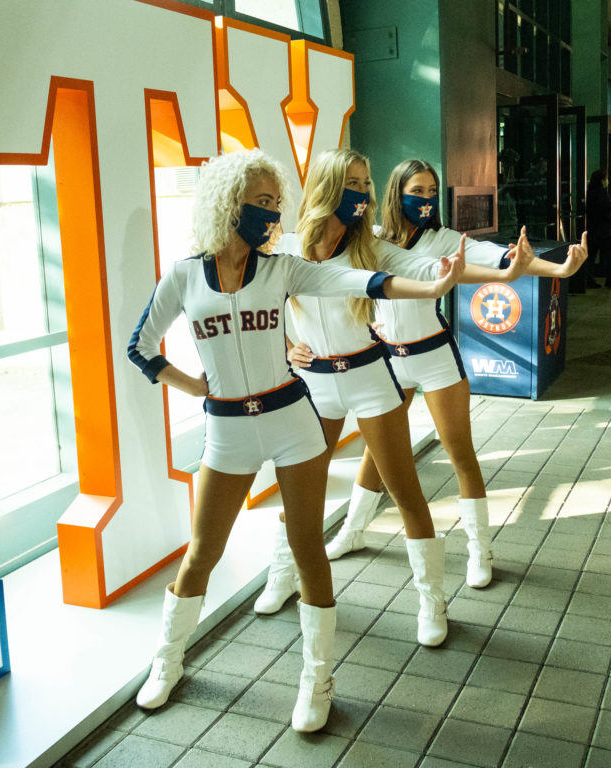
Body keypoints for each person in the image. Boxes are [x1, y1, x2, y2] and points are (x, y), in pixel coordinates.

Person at [128, 149, 467, 732]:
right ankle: (166, 660)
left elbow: (355, 279)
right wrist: (194, 387)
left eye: (276, 203)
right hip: (228, 430)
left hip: (293, 420)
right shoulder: (184, 275)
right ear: (227, 205)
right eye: (262, 203)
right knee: (202, 554)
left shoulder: (280, 267)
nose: (272, 213)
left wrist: (432, 282)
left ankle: (317, 679)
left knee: (310, 547)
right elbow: (141, 346)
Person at [250, 148, 518, 650]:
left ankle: (431, 599)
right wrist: (287, 346)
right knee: (298, 492)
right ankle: (282, 576)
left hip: (372, 378)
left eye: (368, 182)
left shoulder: (371, 249)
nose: (364, 192)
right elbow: (258, 302)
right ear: (328, 187)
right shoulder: (284, 248)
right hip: (316, 387)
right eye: (354, 182)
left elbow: (427, 270)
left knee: (406, 490)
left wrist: (503, 272)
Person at [302, 158, 587, 592]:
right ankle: (353, 531)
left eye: (432, 193)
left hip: (434, 357)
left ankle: (480, 550)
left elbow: (500, 260)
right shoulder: (370, 240)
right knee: (375, 456)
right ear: (396, 193)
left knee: (460, 453)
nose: (427, 200)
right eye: (418, 191)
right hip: (385, 361)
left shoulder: (445, 238)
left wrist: (558, 269)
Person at [585, 169, 611, 289]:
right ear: (602, 180)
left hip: (592, 228)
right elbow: (606, 207)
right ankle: (609, 278)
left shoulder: (590, 191)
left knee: (591, 255)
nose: (607, 181)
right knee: (608, 253)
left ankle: (589, 279)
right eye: (606, 178)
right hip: (602, 230)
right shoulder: (601, 192)